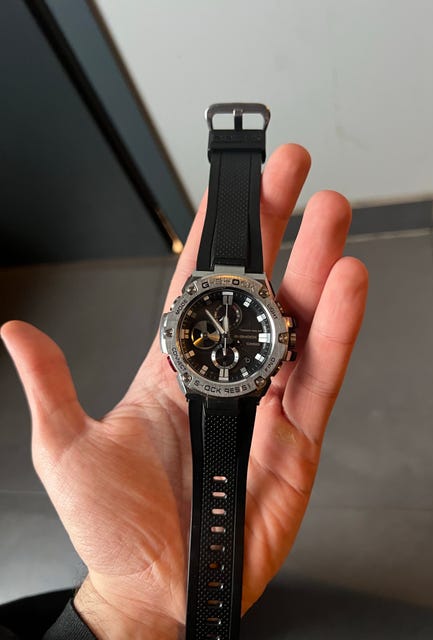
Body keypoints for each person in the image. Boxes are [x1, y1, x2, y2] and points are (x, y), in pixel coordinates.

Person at [0, 144, 368, 639]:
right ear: (172, 334)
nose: (223, 332)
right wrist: (128, 606)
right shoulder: (204, 334)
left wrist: (123, 607)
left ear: (284, 336)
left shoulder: (249, 334)